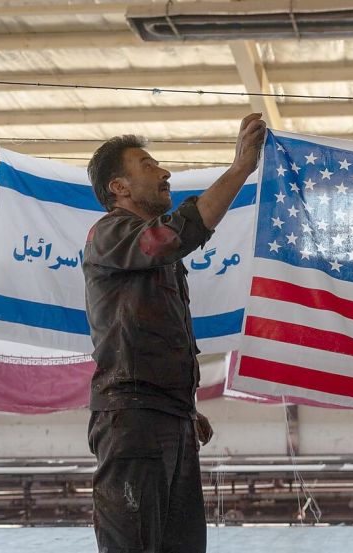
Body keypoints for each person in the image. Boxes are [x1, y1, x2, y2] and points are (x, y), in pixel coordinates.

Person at [82, 113, 266, 552]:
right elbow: (172, 237)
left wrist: (184, 409)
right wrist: (240, 167)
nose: (164, 172)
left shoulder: (151, 257)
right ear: (119, 188)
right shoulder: (109, 234)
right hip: (133, 419)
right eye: (148, 165)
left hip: (161, 416)